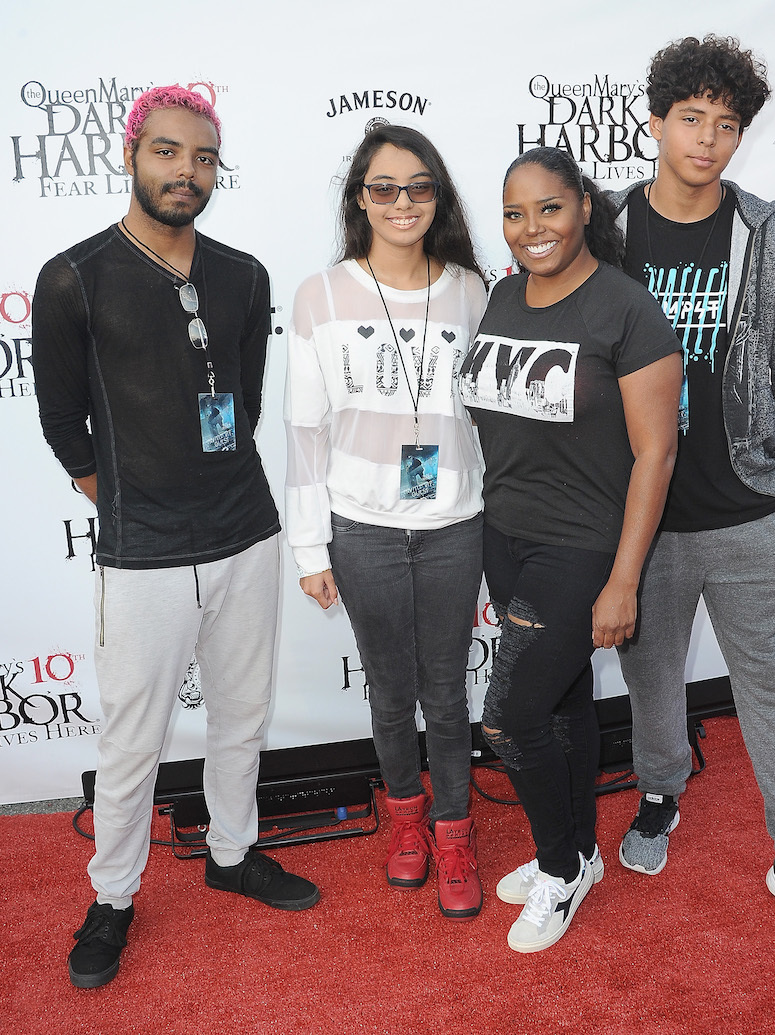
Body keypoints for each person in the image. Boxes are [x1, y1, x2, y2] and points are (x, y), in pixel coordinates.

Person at [32, 86, 320, 990]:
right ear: (132, 155)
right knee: (131, 738)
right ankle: (114, 895)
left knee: (243, 713)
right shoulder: (74, 275)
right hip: (144, 546)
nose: (184, 172)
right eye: (167, 153)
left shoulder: (245, 273)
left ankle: (232, 853)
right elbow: (63, 421)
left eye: (201, 158)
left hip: (245, 529)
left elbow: (246, 395)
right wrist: (126, 495)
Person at [608, 35, 775, 958]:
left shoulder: (772, 236)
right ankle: (656, 791)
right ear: (654, 123)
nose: (709, 140)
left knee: (771, 688)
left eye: (727, 125)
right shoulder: (606, 232)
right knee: (650, 680)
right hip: (643, 521)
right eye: (693, 119)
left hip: (752, 514)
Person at [459, 147, 682, 953]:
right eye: (515, 214)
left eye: (549, 208)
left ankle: (559, 865)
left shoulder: (626, 308)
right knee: (559, 704)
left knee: (509, 716)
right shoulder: (501, 296)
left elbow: (656, 453)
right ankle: (583, 852)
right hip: (504, 530)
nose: (531, 229)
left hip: (583, 540)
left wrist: (623, 579)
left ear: (585, 205)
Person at [285, 125, 487, 920]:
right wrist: (309, 544)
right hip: (359, 523)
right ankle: (405, 819)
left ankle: (454, 831)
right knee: (391, 690)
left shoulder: (472, 289)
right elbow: (303, 429)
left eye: (419, 187)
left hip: (454, 521)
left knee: (446, 691)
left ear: (438, 196)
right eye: (384, 188)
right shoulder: (320, 295)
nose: (402, 203)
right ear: (359, 198)